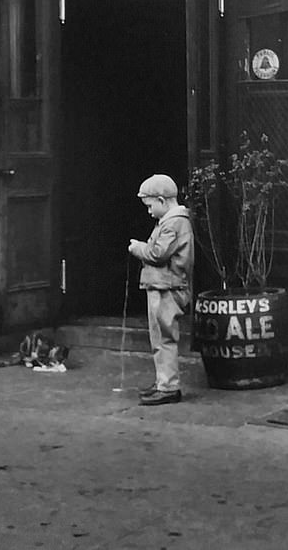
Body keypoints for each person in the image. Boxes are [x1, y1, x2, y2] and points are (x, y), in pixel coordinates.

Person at [128, 174, 194, 406]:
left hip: (167, 287)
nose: (148, 212)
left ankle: (168, 386)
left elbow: (157, 254)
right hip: (161, 285)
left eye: (149, 206)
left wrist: (138, 248)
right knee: (159, 338)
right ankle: (163, 382)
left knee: (164, 338)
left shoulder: (173, 223)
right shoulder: (171, 221)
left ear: (161, 200)